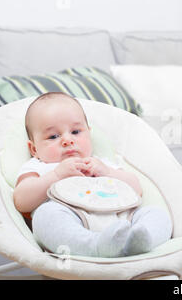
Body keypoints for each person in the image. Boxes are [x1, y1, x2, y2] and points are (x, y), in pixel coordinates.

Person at [13, 92, 172, 258]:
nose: (67, 140)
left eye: (75, 132)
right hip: (72, 220)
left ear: (89, 134)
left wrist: (107, 172)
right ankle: (95, 246)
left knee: (156, 214)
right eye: (53, 136)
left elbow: (136, 189)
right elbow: (22, 200)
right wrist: (56, 175)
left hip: (120, 218)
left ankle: (143, 241)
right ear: (34, 149)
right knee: (45, 217)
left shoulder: (101, 163)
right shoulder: (40, 167)